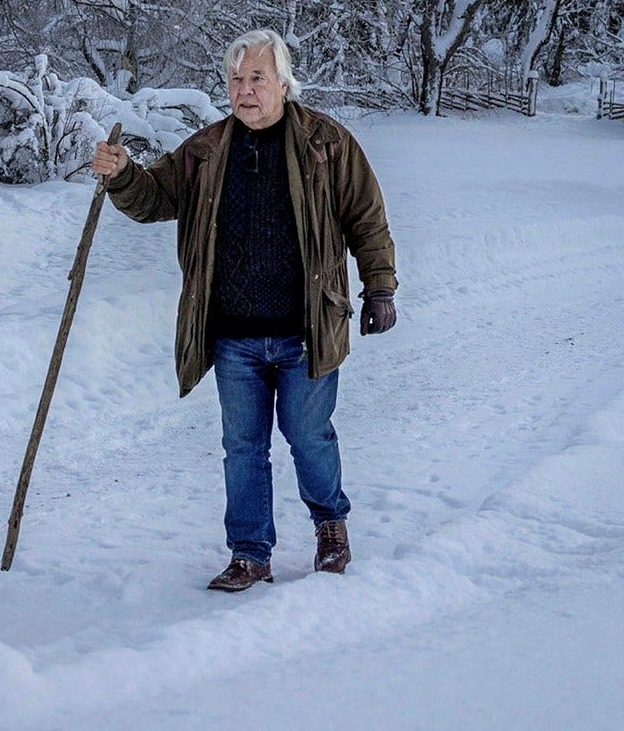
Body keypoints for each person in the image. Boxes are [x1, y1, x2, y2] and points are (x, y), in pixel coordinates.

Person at [92, 29, 398, 591]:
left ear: (283, 82)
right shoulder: (207, 149)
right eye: (236, 79)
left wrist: (379, 288)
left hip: (305, 328)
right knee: (242, 448)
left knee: (309, 438)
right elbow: (156, 197)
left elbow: (366, 218)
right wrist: (123, 175)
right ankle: (250, 553)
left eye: (257, 78)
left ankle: (331, 524)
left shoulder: (327, 144)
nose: (245, 90)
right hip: (232, 334)